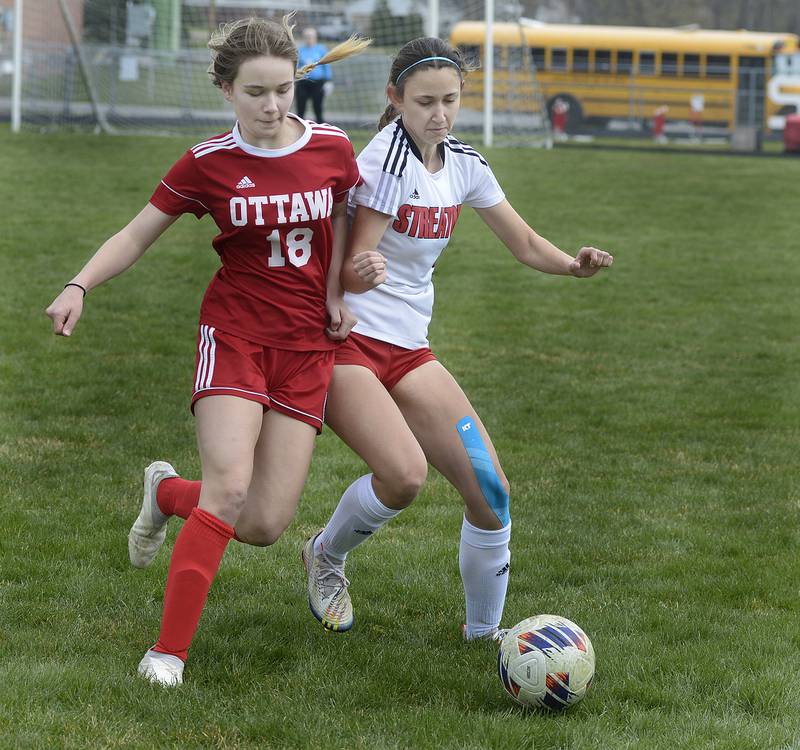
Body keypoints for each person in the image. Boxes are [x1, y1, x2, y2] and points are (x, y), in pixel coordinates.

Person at [45, 16, 369, 687]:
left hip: (308, 349)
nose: (273, 106)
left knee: (263, 524)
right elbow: (136, 235)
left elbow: (343, 217)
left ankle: (166, 494)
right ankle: (167, 655)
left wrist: (338, 290)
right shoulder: (208, 162)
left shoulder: (335, 148)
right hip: (236, 337)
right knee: (229, 486)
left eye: (282, 89)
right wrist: (80, 282)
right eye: (256, 92)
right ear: (227, 89)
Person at [300, 37, 613, 640]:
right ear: (395, 99)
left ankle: (486, 639)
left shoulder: (464, 162)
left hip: (409, 349)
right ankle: (325, 555)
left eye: (450, 100)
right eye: (424, 102)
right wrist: (360, 269)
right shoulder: (386, 162)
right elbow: (347, 262)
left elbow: (522, 241)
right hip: (347, 343)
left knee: (491, 493)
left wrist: (573, 266)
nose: (439, 114)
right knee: (404, 478)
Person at [295, 27, 333, 122]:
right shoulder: (300, 50)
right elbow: (296, 66)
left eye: (311, 36)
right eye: (306, 36)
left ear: (315, 37)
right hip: (303, 83)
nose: (309, 38)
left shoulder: (321, 49)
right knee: (300, 108)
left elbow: (326, 65)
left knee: (318, 108)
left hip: (317, 83)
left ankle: (321, 128)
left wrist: (328, 81)